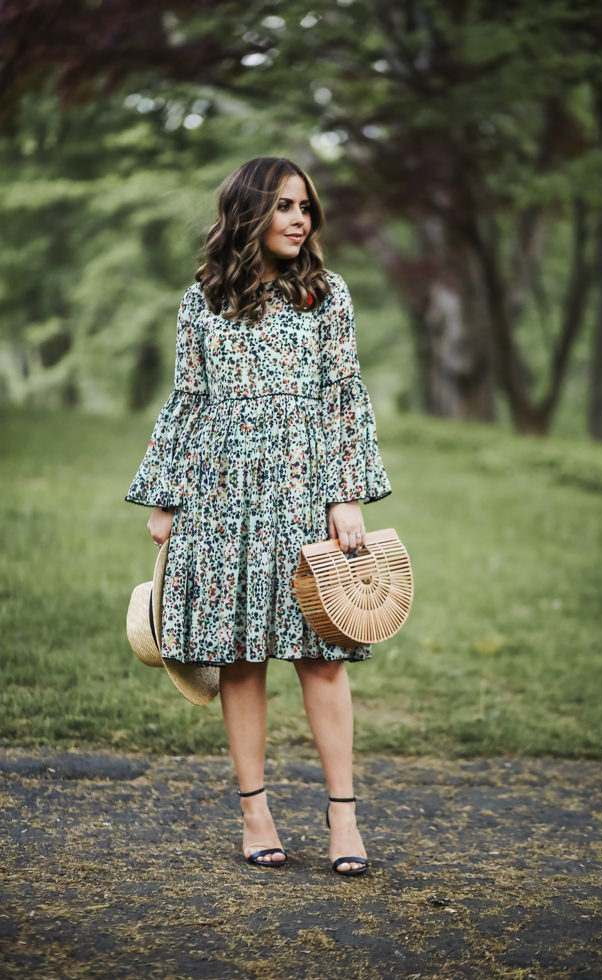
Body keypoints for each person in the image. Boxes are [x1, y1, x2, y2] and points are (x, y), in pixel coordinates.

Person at [125, 156, 391, 876]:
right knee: (240, 659)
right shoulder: (201, 301)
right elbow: (187, 401)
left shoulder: (326, 296)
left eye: (305, 206)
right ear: (249, 214)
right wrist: (166, 497)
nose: (299, 218)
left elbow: (345, 397)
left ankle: (344, 822)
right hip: (221, 498)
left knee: (322, 657)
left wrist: (347, 493)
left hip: (307, 491)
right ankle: (256, 812)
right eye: (282, 206)